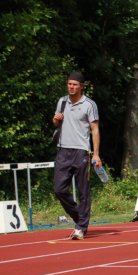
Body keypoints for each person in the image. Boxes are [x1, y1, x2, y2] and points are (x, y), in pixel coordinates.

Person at [52, 71, 101, 241]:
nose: (71, 87)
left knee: (83, 191)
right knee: (59, 189)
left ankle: (81, 227)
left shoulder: (89, 104)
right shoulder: (62, 101)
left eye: (74, 84)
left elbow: (95, 129)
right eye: (69, 84)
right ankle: (79, 216)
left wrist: (96, 154)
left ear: (81, 87)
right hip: (63, 150)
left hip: (81, 151)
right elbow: (56, 122)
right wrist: (56, 119)